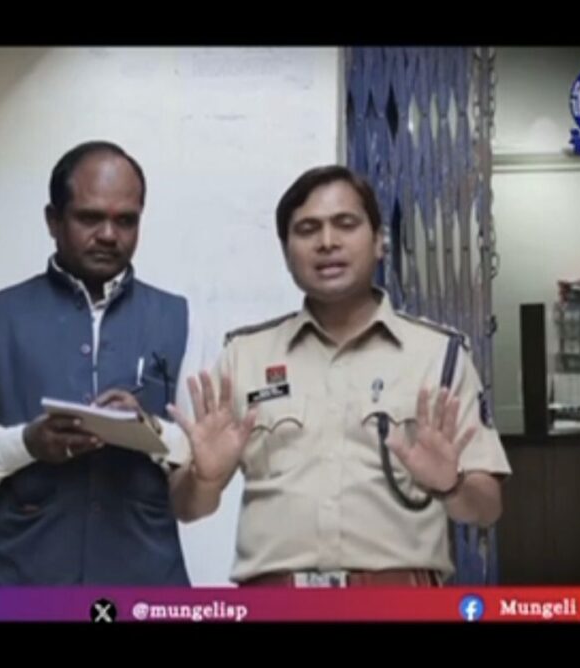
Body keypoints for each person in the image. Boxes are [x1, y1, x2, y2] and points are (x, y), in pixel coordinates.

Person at [167, 164, 511, 587]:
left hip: (398, 602)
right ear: (286, 252)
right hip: (275, 603)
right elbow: (188, 508)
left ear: (379, 241)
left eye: (345, 224)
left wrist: (451, 486)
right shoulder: (244, 356)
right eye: (307, 229)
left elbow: (487, 508)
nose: (327, 242)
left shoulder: (439, 355)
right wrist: (204, 479)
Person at [0, 141, 205, 585]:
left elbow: (203, 451)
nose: (109, 234)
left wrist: (149, 430)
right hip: (26, 584)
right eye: (90, 218)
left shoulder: (178, 318)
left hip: (147, 583)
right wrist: (26, 443)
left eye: (126, 220)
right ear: (53, 220)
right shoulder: (1, 315)